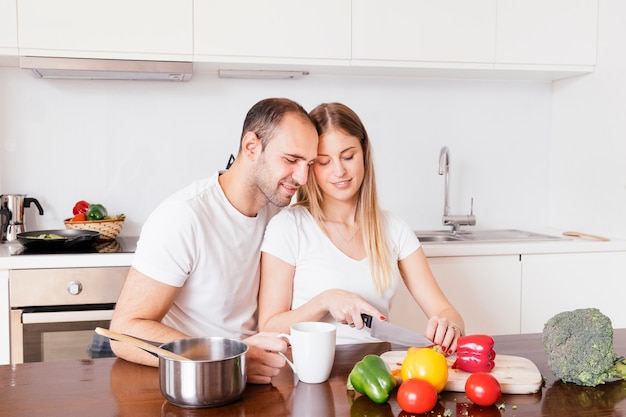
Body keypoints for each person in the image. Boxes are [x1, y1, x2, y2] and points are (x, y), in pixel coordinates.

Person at [110, 98, 319, 383]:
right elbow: (124, 334)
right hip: (192, 384)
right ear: (251, 147)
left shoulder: (278, 214)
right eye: (291, 160)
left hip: (257, 380)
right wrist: (231, 359)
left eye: (309, 164)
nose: (303, 177)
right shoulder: (184, 216)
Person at [258, 102, 464, 353]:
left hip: (377, 373)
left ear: (364, 154)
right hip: (308, 375)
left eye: (348, 156)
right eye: (324, 162)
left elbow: (445, 310)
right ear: (310, 166)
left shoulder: (393, 228)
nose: (339, 170)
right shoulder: (288, 227)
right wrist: (325, 301)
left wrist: (450, 326)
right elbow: (268, 328)